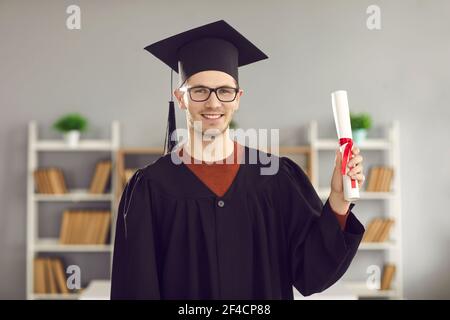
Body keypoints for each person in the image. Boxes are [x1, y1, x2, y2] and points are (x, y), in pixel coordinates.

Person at [111, 20, 365, 299]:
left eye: (224, 90)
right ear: (180, 98)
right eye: (199, 91)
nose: (213, 103)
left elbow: (311, 274)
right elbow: (135, 289)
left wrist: (339, 201)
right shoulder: (150, 188)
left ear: (238, 98)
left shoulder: (276, 178)